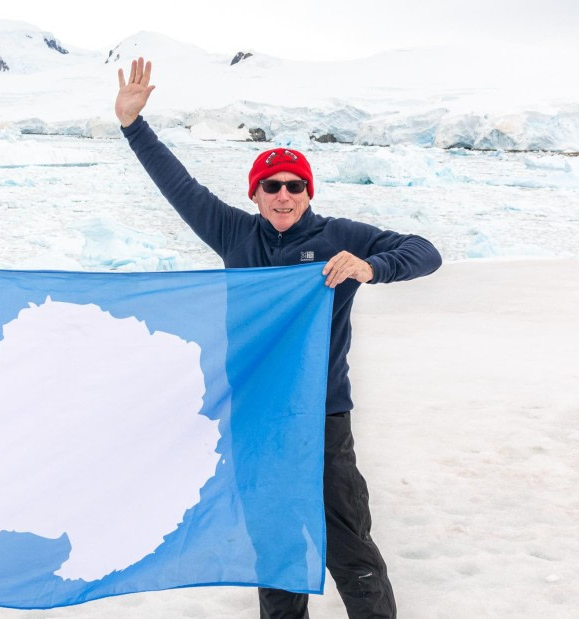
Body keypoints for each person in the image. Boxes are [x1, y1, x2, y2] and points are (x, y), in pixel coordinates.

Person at [115, 57, 441, 619]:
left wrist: (369, 267)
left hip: (321, 416)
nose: (283, 195)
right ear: (256, 194)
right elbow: (180, 186)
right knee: (277, 548)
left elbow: (424, 252)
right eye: (272, 186)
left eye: (294, 186)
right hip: (260, 417)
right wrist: (132, 125)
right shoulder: (235, 234)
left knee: (349, 545)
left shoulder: (342, 236)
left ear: (307, 191)